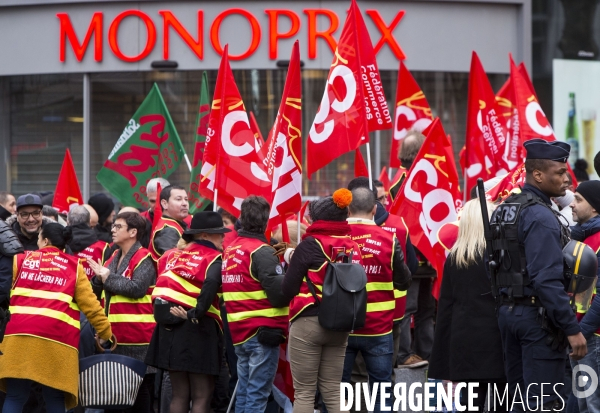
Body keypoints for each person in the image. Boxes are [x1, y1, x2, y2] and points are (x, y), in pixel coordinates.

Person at [494, 139, 587, 411]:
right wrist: (572, 329)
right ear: (537, 175)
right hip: (537, 321)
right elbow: (545, 280)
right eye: (559, 172)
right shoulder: (540, 215)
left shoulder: (506, 208)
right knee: (543, 404)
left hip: (508, 314)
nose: (567, 179)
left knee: (519, 402)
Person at [0, 223, 112, 412]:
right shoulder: (74, 267)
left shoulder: (20, 260)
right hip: (57, 342)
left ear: (45, 240)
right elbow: (91, 306)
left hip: (17, 338)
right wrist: (105, 333)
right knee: (54, 397)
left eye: (39, 238)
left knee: (16, 395)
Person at [281, 189, 362, 413]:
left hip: (308, 321)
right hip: (341, 323)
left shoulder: (309, 245)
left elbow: (288, 288)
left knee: (305, 392)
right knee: (333, 391)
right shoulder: (353, 246)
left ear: (317, 220)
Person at [147, 211, 228, 413]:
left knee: (179, 394)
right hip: (198, 328)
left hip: (168, 327)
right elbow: (210, 284)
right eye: (220, 233)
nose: (224, 237)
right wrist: (196, 313)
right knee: (203, 394)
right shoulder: (214, 258)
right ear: (205, 235)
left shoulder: (173, 255)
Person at [429, 200, 506, 412]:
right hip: (498, 341)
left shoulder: (455, 257)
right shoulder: (502, 256)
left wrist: (442, 358)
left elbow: (446, 307)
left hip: (464, 344)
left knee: (471, 404)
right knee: (502, 403)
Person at [343, 187, 411, 413]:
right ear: (374, 209)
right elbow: (403, 281)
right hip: (379, 329)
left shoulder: (337, 238)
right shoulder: (389, 240)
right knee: (382, 394)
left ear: (349, 209)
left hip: (343, 327)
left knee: (339, 393)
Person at [221, 196, 289, 413]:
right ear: (266, 222)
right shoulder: (262, 251)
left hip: (239, 332)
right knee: (257, 394)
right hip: (261, 333)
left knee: (245, 390)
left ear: (240, 218)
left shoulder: (230, 250)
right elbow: (279, 295)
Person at [88, 212, 157, 413]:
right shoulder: (113, 256)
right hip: (115, 336)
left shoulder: (144, 257)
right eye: (114, 226)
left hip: (139, 336)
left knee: (140, 392)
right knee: (116, 396)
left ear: (133, 232)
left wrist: (106, 277)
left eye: (118, 227)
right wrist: (98, 279)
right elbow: (99, 288)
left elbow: (137, 288)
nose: (112, 230)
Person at [569, 180, 600, 413]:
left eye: (578, 200)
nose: (572, 204)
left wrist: (582, 332)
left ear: (595, 208)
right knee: (583, 404)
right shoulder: (579, 239)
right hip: (580, 335)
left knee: (592, 405)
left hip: (592, 337)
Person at [66, 205, 110, 280]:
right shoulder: (103, 248)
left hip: (64, 291)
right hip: (92, 291)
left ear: (67, 221)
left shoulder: (57, 244)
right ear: (89, 222)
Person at [149, 185, 189, 261]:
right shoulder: (168, 230)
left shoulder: (176, 224)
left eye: (186, 199)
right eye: (178, 199)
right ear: (164, 204)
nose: (185, 203)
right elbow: (173, 261)